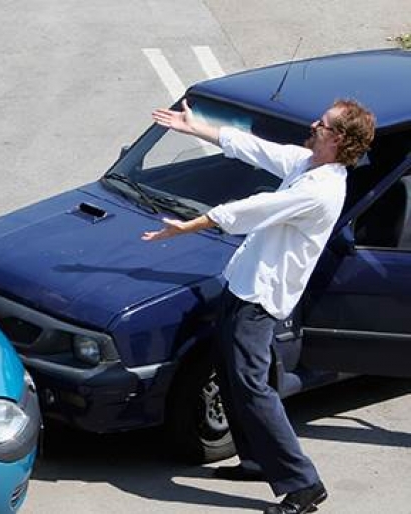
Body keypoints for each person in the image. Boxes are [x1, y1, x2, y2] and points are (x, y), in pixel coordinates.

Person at [143, 98, 375, 514]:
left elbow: (256, 209)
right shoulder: (308, 164)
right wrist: (194, 128)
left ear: (337, 139)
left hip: (260, 299)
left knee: (252, 386)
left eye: (321, 123)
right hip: (243, 285)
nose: (312, 123)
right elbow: (254, 147)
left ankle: (304, 485)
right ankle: (254, 460)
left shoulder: (320, 190)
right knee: (233, 376)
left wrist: (193, 225)